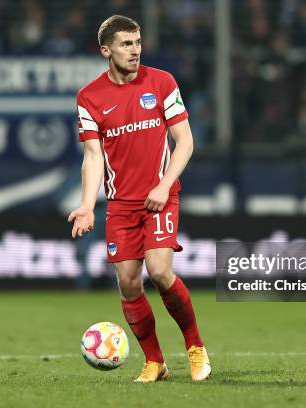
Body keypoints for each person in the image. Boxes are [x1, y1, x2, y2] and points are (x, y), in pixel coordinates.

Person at [68, 15, 210, 383]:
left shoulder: (162, 82)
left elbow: (186, 141)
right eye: (126, 44)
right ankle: (155, 362)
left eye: (137, 42)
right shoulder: (90, 97)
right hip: (120, 205)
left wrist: (164, 185)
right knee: (129, 283)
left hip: (160, 198)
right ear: (106, 50)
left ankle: (195, 348)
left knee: (160, 271)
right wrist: (87, 204)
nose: (135, 50)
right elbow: (93, 157)